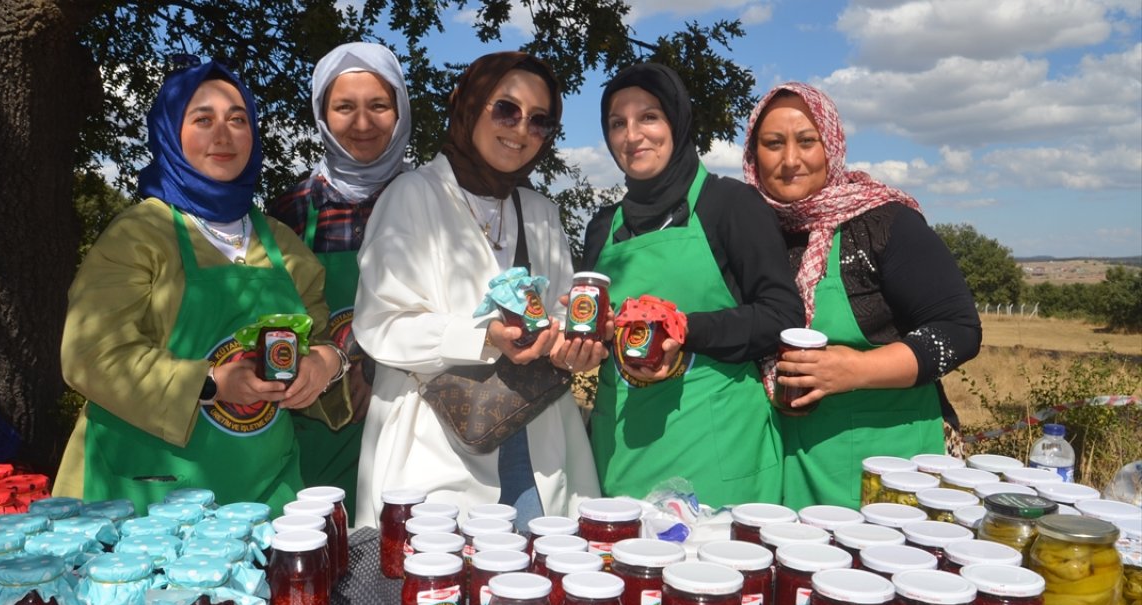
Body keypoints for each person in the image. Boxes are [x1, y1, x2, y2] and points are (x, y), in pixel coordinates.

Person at [53, 59, 350, 512]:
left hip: (264, 493)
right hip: (143, 497)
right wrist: (210, 383)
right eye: (203, 120)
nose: (223, 134)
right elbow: (91, 355)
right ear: (171, 134)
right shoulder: (139, 235)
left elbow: (321, 338)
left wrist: (326, 363)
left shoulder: (283, 244)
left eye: (237, 119)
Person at [350, 51, 601, 529]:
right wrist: (483, 336)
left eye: (539, 121)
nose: (520, 129)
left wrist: (574, 345)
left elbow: (560, 317)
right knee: (444, 592)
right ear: (467, 105)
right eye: (505, 109)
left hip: (539, 446)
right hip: (434, 447)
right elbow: (380, 324)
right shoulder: (412, 196)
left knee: (537, 589)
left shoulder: (541, 213)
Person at [742, 81, 981, 509]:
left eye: (807, 141)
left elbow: (959, 330)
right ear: (753, 155)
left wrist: (855, 370)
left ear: (831, 145)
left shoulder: (883, 224)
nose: (790, 160)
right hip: (785, 464)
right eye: (773, 144)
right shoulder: (748, 232)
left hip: (890, 466)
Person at [579, 63, 804, 507]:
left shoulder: (730, 205)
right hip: (621, 451)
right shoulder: (602, 227)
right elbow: (599, 335)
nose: (632, 135)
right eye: (616, 123)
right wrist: (588, 337)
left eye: (649, 117)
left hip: (717, 452)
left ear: (677, 122)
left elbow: (782, 315)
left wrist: (685, 330)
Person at [267, 43, 412, 518]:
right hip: (314, 416)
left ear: (400, 111)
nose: (363, 123)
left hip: (409, 414)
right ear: (323, 115)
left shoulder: (433, 202)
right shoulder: (288, 212)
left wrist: (379, 366)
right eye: (345, 107)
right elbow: (269, 313)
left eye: (378, 106)